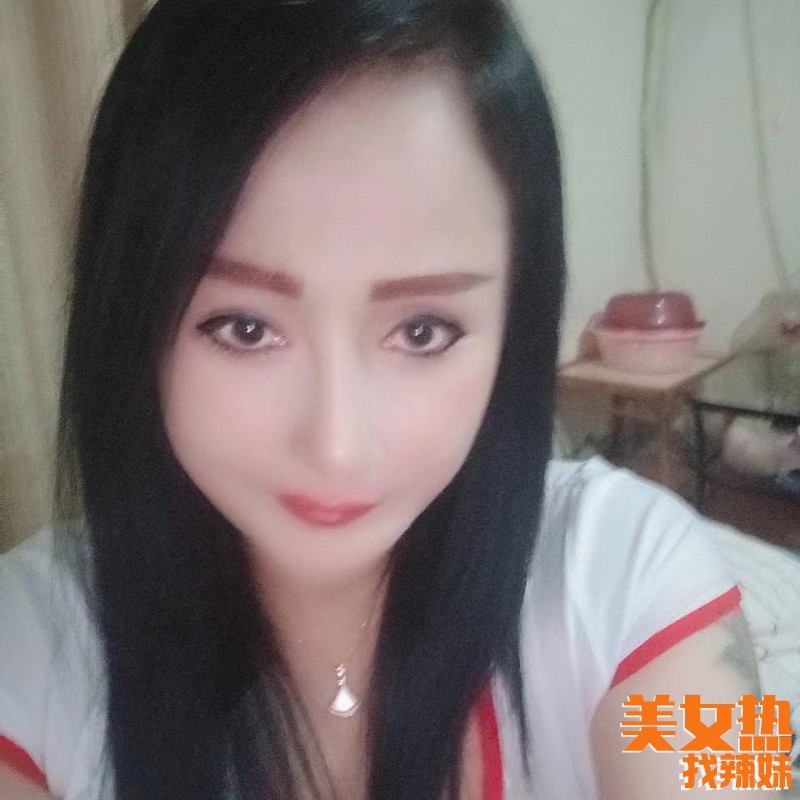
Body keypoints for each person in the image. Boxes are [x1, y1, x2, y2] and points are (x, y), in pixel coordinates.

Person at [0, 1, 772, 798]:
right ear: (128, 315)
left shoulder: (635, 569)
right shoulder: (30, 646)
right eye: (244, 328)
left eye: (423, 332)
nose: (338, 446)